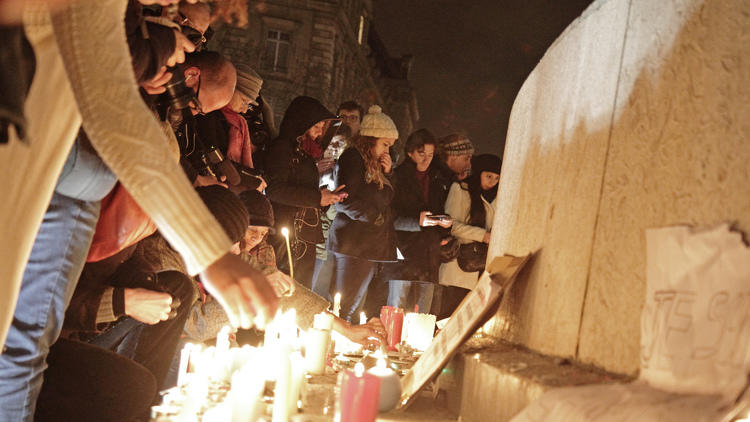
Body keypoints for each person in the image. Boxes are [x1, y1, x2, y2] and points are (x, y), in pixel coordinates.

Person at [0, 3, 276, 420]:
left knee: (25, 348)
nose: (171, 14)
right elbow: (118, 117)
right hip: (31, 184)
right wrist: (211, 254)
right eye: (176, 12)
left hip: (59, 196)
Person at [264, 96, 345, 289]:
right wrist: (317, 198)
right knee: (284, 289)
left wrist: (325, 197)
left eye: (323, 128)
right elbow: (274, 189)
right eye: (317, 126)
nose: (319, 133)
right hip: (285, 235)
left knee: (300, 290)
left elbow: (301, 188)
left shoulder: (307, 153)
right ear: (302, 122)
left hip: (303, 236)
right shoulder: (282, 148)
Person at [327, 105, 399, 321]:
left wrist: (388, 174)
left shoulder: (374, 164)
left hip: (365, 246)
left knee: (351, 304)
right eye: (384, 144)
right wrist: (374, 217)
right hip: (354, 244)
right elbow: (345, 200)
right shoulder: (353, 158)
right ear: (371, 139)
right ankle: (331, 346)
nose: (387, 151)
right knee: (344, 305)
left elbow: (385, 199)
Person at [387, 129, 452, 313]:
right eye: (421, 154)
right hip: (403, 251)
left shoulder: (437, 179)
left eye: (430, 155)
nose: (426, 160)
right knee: (397, 307)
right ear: (410, 153)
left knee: (423, 311)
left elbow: (440, 209)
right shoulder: (398, 177)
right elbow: (390, 217)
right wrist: (417, 222)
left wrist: (444, 226)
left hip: (429, 253)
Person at [312, 100, 364, 300]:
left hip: (345, 227)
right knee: (317, 277)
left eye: (353, 118)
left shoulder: (360, 154)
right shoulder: (321, 147)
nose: (348, 122)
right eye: (343, 117)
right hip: (319, 215)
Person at [438, 154, 501, 317]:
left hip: (481, 268)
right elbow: (450, 225)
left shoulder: (498, 198)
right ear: (478, 172)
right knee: (449, 316)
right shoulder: (460, 189)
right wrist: (483, 235)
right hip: (459, 266)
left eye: (496, 178)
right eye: (488, 176)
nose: (492, 182)